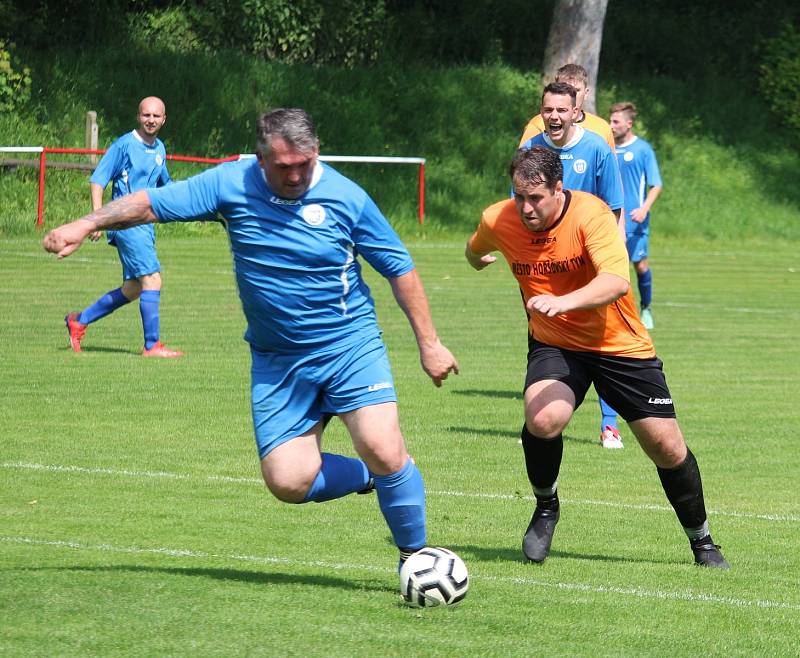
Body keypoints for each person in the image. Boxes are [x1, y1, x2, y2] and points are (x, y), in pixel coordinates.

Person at [43, 107, 460, 576]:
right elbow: (149, 203)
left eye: (304, 163)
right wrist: (85, 224)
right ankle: (370, 477)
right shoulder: (230, 184)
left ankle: (417, 559)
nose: (296, 174)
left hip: (349, 346)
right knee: (287, 480)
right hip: (277, 360)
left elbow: (398, 267)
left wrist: (430, 343)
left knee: (383, 446)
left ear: (316, 152)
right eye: (284, 166)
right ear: (260, 158)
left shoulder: (347, 197)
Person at [465, 146, 729, 569]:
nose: (527, 208)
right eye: (519, 197)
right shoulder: (499, 218)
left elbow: (616, 281)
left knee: (666, 447)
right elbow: (475, 247)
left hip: (619, 346)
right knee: (543, 418)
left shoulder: (591, 215)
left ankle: (703, 541)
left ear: (558, 188)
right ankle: (546, 505)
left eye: (536, 198)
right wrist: (479, 259)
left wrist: (564, 302)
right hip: (556, 343)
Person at [521, 81, 626, 449]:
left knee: (602, 343)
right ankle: (542, 418)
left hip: (590, 266)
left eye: (561, 110)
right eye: (548, 109)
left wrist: (613, 255)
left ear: (575, 111)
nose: (554, 116)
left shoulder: (596, 147)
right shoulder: (530, 148)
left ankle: (609, 424)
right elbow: (517, 208)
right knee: (542, 339)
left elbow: (614, 207)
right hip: (543, 267)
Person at [63, 96, 183, 357]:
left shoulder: (160, 149)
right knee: (152, 279)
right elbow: (98, 180)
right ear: (138, 117)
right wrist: (96, 219)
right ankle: (152, 346)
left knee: (134, 288)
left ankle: (78, 320)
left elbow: (166, 186)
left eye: (156, 116)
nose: (150, 120)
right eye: (146, 115)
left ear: (164, 119)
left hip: (145, 224)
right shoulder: (124, 145)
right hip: (126, 222)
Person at [609, 101, 663, 330]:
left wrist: (644, 208)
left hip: (635, 220)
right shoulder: (606, 147)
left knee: (639, 266)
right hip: (611, 220)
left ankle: (646, 308)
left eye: (615, 122)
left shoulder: (642, 150)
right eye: (610, 121)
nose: (611, 125)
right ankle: (618, 315)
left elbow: (656, 184)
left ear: (628, 124)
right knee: (612, 268)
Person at [518, 63, 614, 150]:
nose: (571, 94)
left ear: (586, 93)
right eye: (565, 89)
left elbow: (610, 167)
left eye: (576, 90)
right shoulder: (537, 124)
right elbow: (522, 163)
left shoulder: (602, 128)